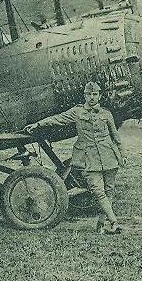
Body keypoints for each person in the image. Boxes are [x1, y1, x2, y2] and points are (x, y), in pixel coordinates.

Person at [24, 81, 126, 234]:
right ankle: (114, 222)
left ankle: (102, 223)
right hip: (89, 158)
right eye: (88, 94)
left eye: (94, 94)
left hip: (109, 156)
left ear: (99, 96)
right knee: (97, 191)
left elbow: (116, 137)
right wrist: (38, 124)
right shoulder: (77, 112)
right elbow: (58, 118)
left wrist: (122, 155)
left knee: (109, 191)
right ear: (84, 95)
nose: (91, 97)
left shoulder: (106, 114)